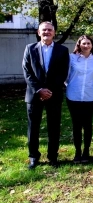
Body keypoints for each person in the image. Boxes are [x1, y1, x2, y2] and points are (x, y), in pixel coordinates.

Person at [22, 21, 69, 169]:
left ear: (54, 33)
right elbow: (27, 71)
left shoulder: (62, 50)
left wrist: (49, 90)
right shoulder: (30, 49)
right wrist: (39, 90)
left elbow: (63, 72)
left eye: (49, 30)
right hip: (34, 94)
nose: (47, 32)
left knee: (54, 127)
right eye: (44, 30)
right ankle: (33, 156)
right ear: (38, 32)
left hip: (53, 94)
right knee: (33, 127)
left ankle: (52, 156)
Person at [65, 35, 93, 163]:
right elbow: (66, 75)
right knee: (76, 124)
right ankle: (77, 152)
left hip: (89, 96)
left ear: (92, 45)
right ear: (79, 44)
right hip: (73, 95)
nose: (86, 46)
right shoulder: (71, 58)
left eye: (88, 43)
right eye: (84, 43)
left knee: (87, 124)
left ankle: (86, 151)